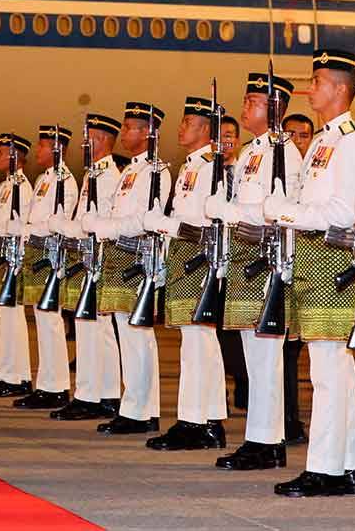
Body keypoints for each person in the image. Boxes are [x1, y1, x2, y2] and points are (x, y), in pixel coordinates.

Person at [265, 49, 355, 498]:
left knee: (327, 371)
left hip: (333, 261)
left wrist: (284, 213)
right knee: (335, 371)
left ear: (341, 90)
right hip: (313, 259)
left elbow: (343, 211)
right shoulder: (325, 140)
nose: (309, 88)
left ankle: (325, 469)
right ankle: (348, 466)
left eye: (318, 81)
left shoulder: (349, 140)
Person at [206, 73, 301, 471]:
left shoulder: (285, 153)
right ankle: (259, 438)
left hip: (265, 263)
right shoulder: (250, 152)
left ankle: (268, 441)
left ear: (274, 107)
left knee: (266, 357)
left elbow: (274, 209)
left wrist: (229, 212)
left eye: (253, 101)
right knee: (253, 358)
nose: (244, 108)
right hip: (247, 262)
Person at [144, 96, 227, 451]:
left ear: (205, 130)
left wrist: (164, 224)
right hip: (183, 256)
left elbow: (205, 222)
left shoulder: (211, 165)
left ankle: (199, 421)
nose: (180, 128)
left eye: (188, 123)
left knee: (199, 344)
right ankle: (202, 419)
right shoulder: (192, 165)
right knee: (194, 344)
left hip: (197, 257)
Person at [85, 102, 171, 434]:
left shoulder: (155, 170)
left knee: (138, 335)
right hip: (120, 256)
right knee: (126, 334)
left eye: (130, 127)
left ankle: (143, 410)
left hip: (137, 258)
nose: (124, 133)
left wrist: (108, 227)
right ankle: (132, 405)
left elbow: (145, 218)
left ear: (149, 133)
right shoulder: (131, 171)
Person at [48, 113, 122, 421]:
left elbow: (95, 223)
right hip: (86, 258)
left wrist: (65, 227)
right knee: (91, 330)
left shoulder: (107, 176)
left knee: (96, 329)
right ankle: (101, 394)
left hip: (98, 258)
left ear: (103, 141)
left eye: (89, 137)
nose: (83, 143)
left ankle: (94, 395)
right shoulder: (93, 174)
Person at [11, 125, 77, 410]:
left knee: (51, 322)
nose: (37, 151)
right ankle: (47, 384)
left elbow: (57, 221)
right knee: (41, 319)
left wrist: (30, 229)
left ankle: (58, 387)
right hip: (35, 253)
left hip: (50, 255)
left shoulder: (66, 180)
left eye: (42, 145)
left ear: (57, 148)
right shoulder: (43, 179)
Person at [0, 133, 34, 398]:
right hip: (0, 258)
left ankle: (18, 377)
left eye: (2, 153)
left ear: (15, 157)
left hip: (13, 261)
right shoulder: (5, 187)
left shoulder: (22, 187)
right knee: (6, 320)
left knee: (14, 320)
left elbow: (21, 225)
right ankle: (8, 373)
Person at [216, 115, 248, 412]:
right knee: (218, 333)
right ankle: (223, 387)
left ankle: (243, 382)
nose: (223, 141)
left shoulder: (244, 170)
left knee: (241, 331)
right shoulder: (207, 174)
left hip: (240, 259)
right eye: (218, 135)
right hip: (215, 263)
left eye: (229, 135)